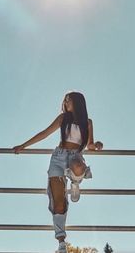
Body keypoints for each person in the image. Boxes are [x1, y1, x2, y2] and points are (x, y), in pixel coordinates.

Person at [13, 91, 103, 253]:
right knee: (58, 202)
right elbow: (44, 133)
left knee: (77, 166)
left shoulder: (87, 123)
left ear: (77, 102)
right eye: (65, 100)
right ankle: (61, 242)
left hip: (75, 157)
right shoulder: (62, 119)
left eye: (68, 100)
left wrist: (96, 144)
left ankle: (75, 182)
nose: (65, 103)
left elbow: (89, 145)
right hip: (58, 158)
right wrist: (23, 145)